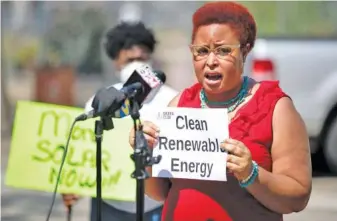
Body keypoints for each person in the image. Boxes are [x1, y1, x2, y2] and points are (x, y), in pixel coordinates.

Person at [128, 2, 312, 221]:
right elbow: (159, 192)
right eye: (202, 51)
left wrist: (251, 174)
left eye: (223, 51)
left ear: (245, 50)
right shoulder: (179, 105)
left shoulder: (276, 109)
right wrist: (145, 154)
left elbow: (297, 196)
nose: (211, 61)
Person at [62, 21, 178, 221]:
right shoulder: (100, 101)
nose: (136, 64)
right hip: (110, 204)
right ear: (116, 61)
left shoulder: (172, 100)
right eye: (130, 59)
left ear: (150, 58)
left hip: (157, 205)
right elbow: (84, 152)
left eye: (141, 58)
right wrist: (73, 186)